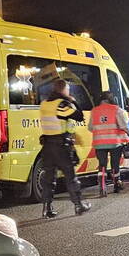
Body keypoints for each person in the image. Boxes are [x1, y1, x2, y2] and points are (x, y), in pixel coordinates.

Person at [39, 78, 91, 217]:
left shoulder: (44, 104)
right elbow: (79, 116)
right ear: (63, 90)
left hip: (47, 146)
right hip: (61, 146)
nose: (68, 91)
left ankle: (46, 209)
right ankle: (79, 205)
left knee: (49, 179)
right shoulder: (61, 105)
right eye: (67, 89)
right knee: (70, 177)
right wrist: (72, 101)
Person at [89, 91, 129, 197]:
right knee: (115, 164)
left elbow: (90, 127)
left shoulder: (94, 111)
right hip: (115, 143)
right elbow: (123, 125)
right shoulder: (117, 110)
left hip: (99, 143)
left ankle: (102, 187)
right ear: (112, 99)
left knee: (102, 164)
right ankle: (116, 184)